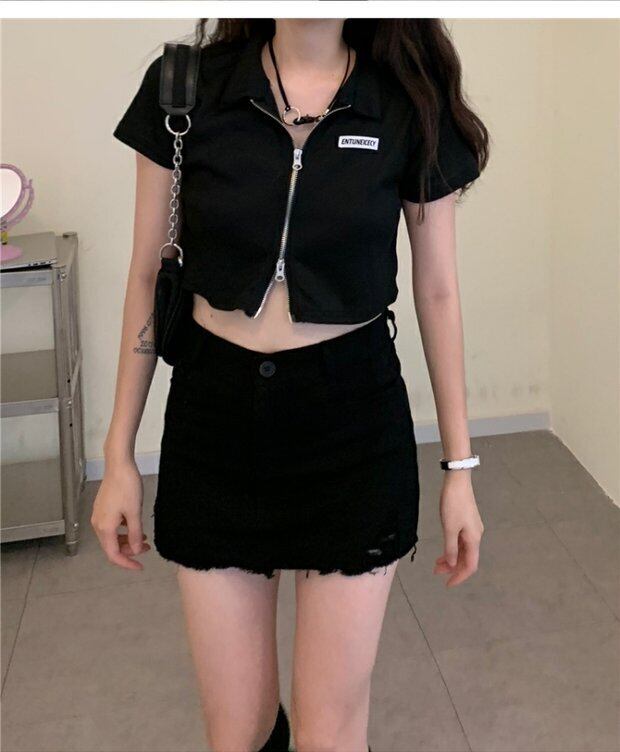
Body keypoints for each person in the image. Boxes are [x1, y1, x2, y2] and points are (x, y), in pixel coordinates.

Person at [94, 17, 488, 752]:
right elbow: (149, 274)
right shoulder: (187, 87)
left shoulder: (408, 100)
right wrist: (118, 455)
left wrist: (459, 470)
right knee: (237, 732)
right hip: (214, 422)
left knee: (328, 734)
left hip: (352, 426)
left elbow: (438, 291)